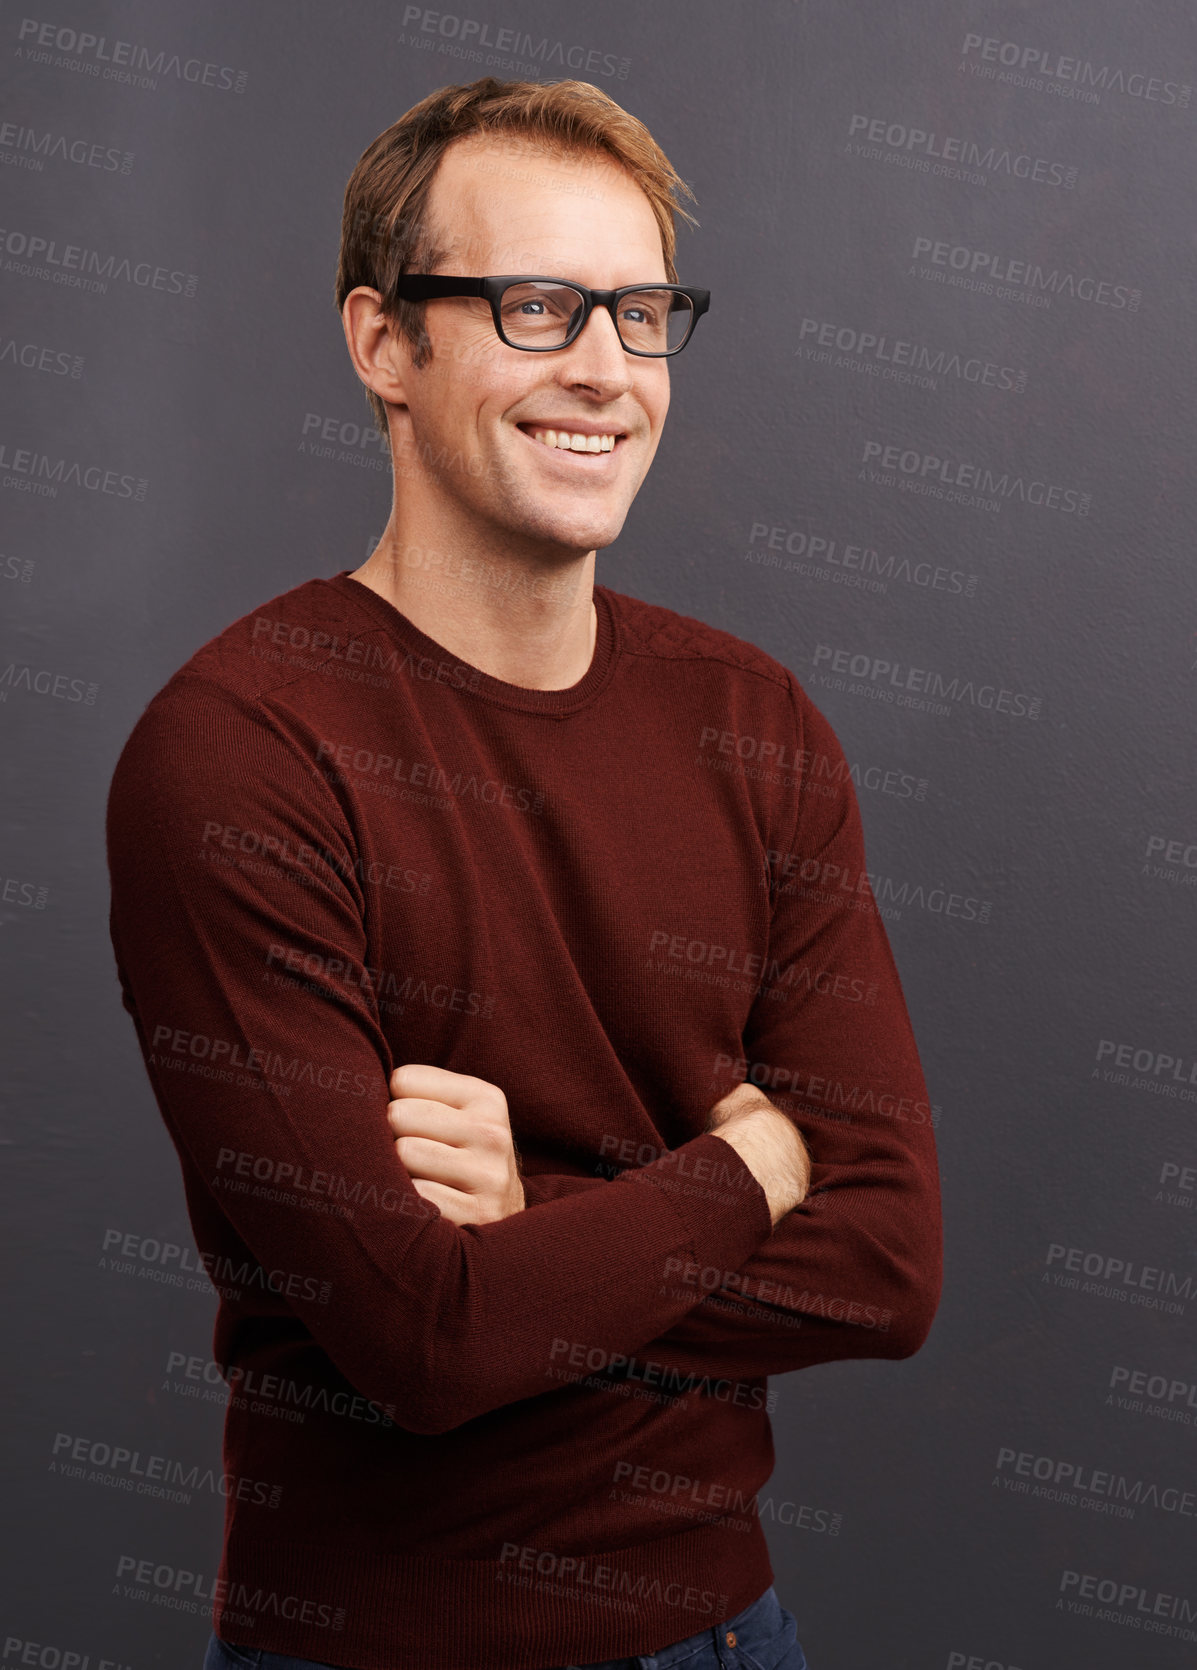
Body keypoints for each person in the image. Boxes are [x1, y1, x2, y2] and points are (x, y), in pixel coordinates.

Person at [105, 76, 942, 1670]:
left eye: (639, 313)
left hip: (728, 1633)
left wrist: (536, 1223)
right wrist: (749, 1170)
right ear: (381, 343)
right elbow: (419, 1333)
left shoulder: (752, 722)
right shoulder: (238, 751)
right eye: (537, 305)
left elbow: (890, 1261)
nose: (604, 371)